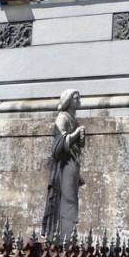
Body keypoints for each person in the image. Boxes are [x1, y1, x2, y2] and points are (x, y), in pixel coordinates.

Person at [42, 89, 85, 238]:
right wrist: (76, 133)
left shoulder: (73, 120)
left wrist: (80, 138)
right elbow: (58, 145)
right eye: (76, 98)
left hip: (73, 164)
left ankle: (68, 234)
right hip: (64, 165)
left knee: (72, 199)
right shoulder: (62, 118)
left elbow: (76, 145)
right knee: (67, 199)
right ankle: (63, 236)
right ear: (68, 100)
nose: (79, 101)